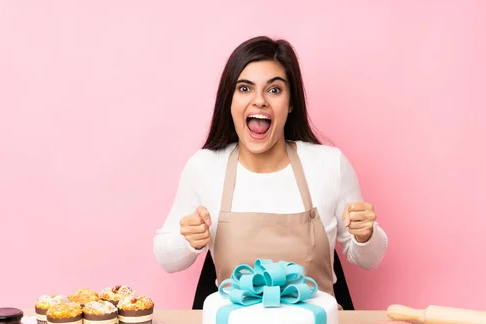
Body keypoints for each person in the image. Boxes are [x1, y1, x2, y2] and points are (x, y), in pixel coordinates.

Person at [153, 36, 388, 303]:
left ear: (290, 103)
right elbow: (166, 258)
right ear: (228, 100)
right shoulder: (205, 166)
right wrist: (189, 241)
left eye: (274, 90)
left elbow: (370, 259)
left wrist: (366, 235)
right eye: (244, 89)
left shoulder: (329, 164)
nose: (259, 101)